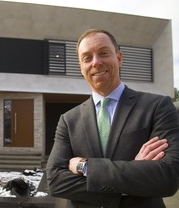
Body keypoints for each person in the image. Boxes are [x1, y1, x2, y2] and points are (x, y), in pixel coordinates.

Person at [46, 28, 179, 208]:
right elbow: (54, 181)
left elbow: (168, 177)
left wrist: (86, 168)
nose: (96, 62)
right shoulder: (68, 120)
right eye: (87, 58)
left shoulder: (157, 107)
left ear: (119, 58)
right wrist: (134, 173)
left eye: (103, 53)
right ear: (81, 67)